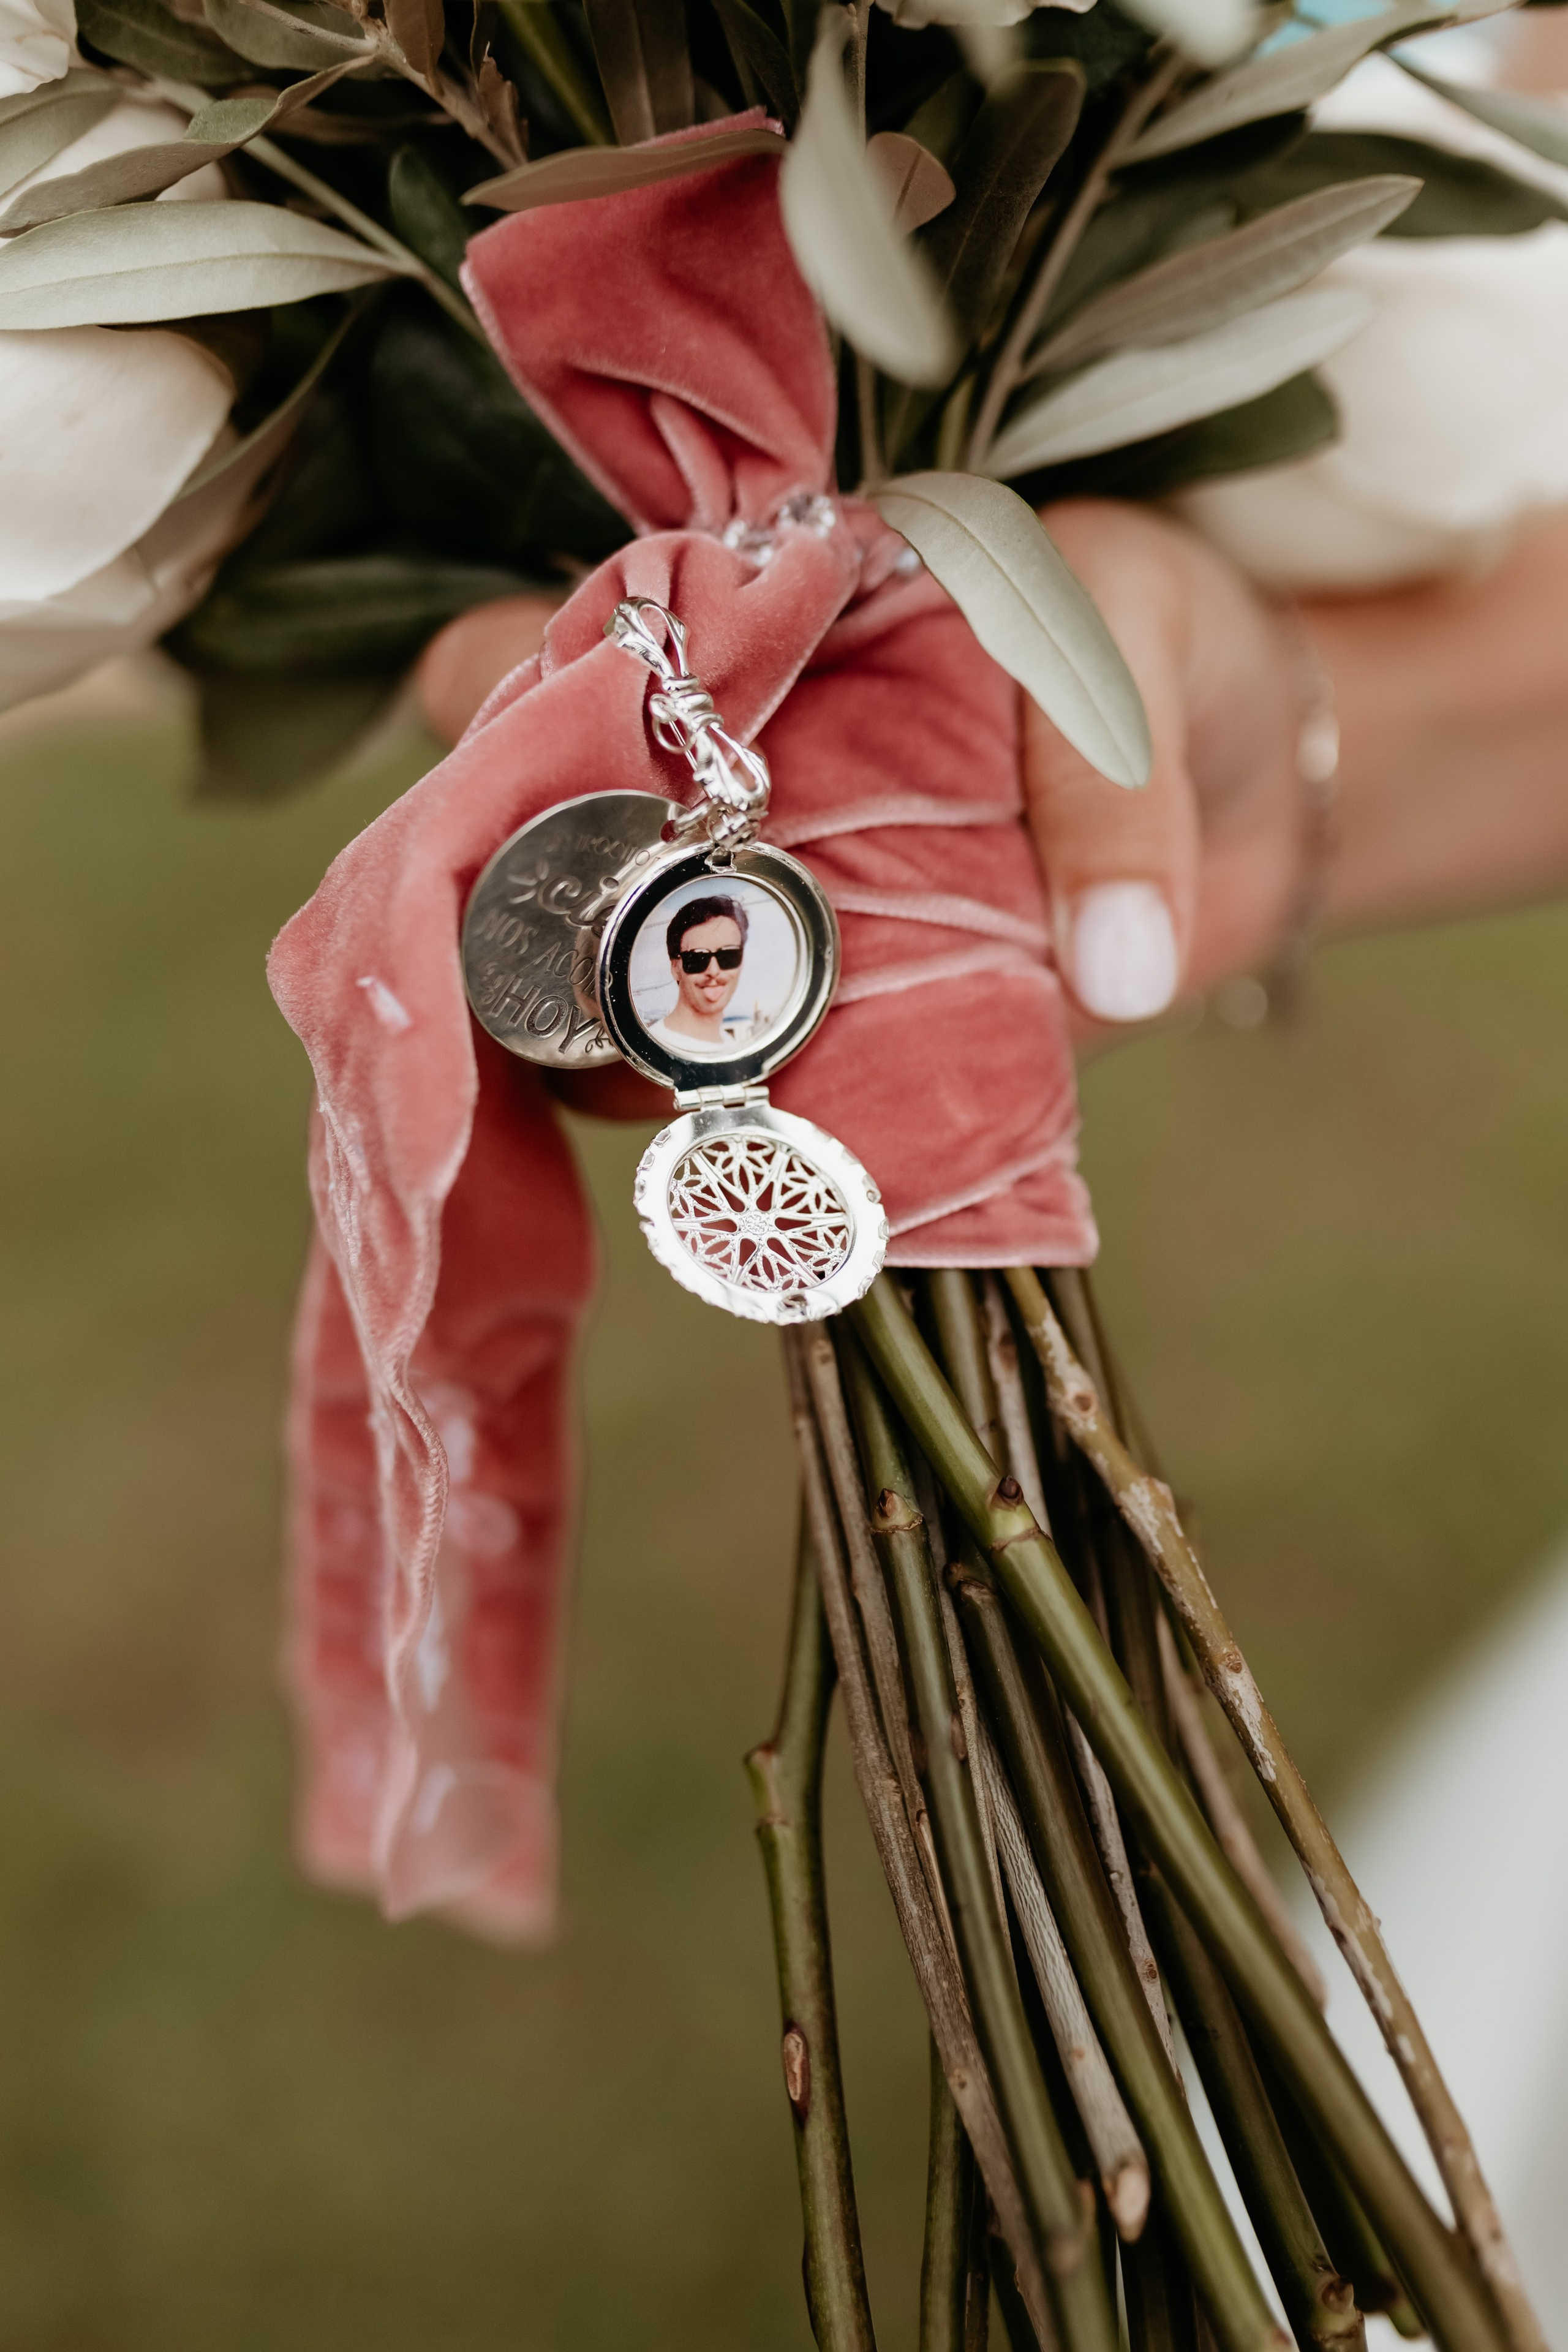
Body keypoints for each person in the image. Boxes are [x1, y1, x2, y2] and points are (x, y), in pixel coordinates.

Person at [646, 894, 758, 1055]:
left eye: (728, 956)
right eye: (698, 958)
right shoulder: (656, 1047)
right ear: (675, 967)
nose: (713, 972)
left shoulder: (731, 1046)